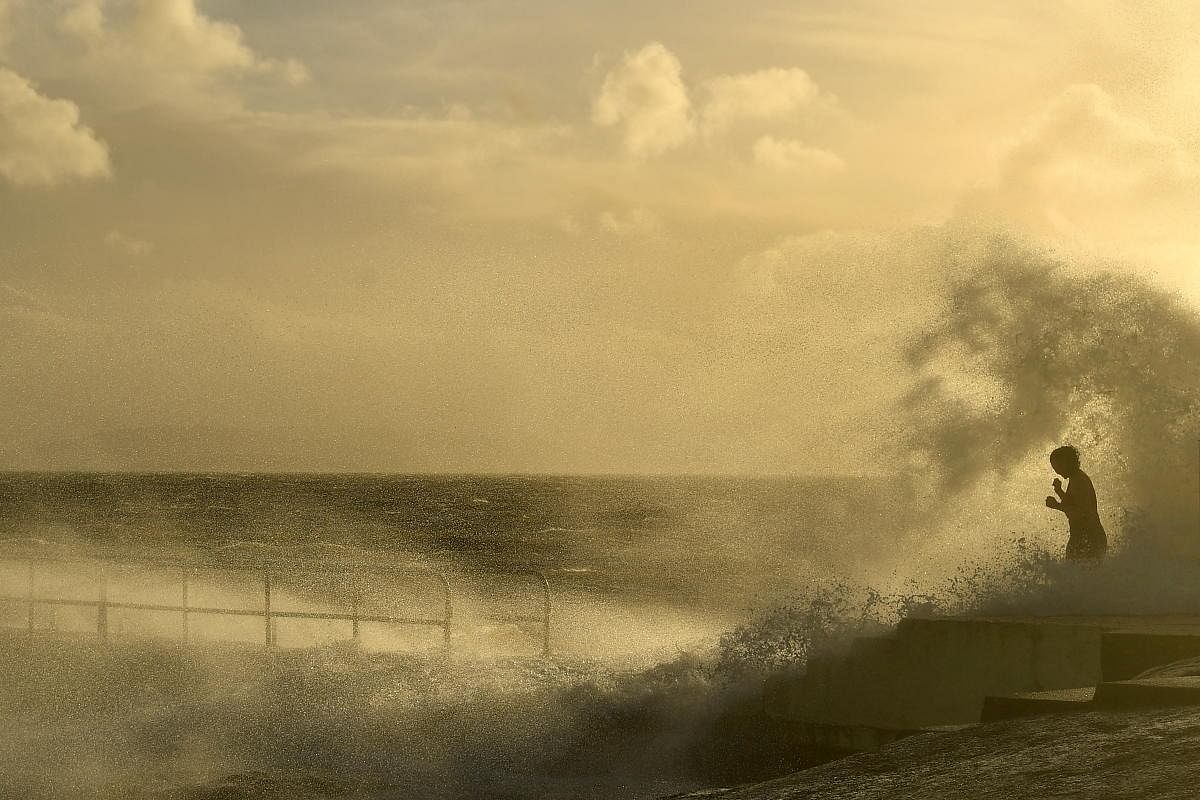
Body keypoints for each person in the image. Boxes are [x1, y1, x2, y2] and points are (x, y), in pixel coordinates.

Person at [1044, 445, 1107, 560]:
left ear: (1067, 462)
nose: (1057, 472)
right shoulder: (1075, 477)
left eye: (1058, 467)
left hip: (1089, 537)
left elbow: (1082, 512)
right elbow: (1073, 503)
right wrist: (1059, 491)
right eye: (1054, 468)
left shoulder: (1079, 481)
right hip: (1084, 536)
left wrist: (1056, 506)